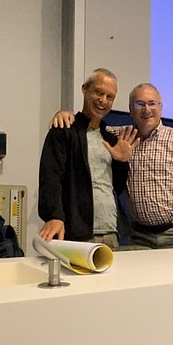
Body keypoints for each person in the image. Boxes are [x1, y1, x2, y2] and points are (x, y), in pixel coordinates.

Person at [50, 82, 173, 249]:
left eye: (152, 104)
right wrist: (65, 115)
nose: (146, 109)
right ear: (131, 110)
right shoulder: (119, 137)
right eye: (140, 104)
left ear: (160, 107)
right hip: (141, 237)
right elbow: (91, 128)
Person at [38, 68, 139, 249]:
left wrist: (122, 162)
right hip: (76, 233)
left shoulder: (111, 139)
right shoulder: (64, 129)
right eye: (98, 92)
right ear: (85, 89)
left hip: (110, 232)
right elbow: (50, 177)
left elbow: (115, 186)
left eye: (110, 96)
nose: (103, 101)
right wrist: (53, 216)